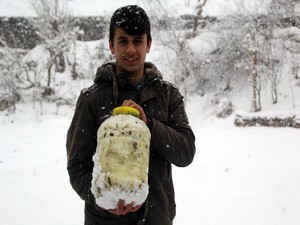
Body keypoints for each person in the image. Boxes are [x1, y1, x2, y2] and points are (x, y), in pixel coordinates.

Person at [66, 5, 196, 225]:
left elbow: (185, 152)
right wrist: (102, 200)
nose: (130, 49)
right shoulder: (92, 99)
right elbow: (77, 165)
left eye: (137, 41)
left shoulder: (167, 95)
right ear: (111, 45)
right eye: (123, 41)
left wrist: (150, 127)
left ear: (149, 44)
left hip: (157, 219)